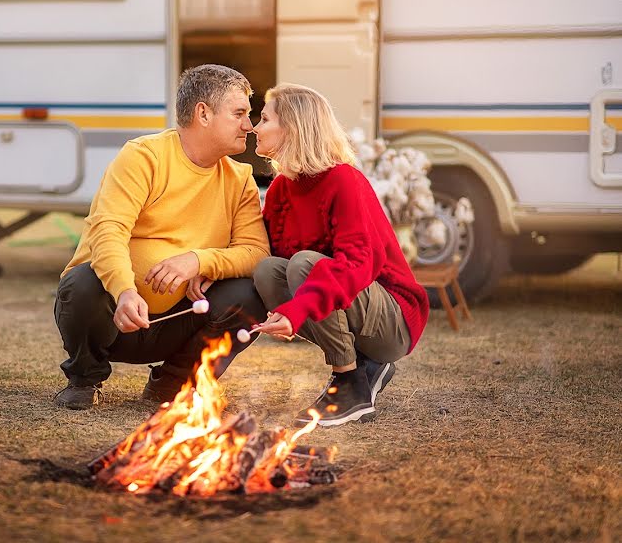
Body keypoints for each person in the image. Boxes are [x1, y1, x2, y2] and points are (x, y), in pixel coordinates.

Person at [53, 64, 270, 410]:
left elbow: (256, 252)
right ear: (203, 113)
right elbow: (107, 230)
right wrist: (124, 290)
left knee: (252, 292)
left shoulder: (240, 178)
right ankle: (85, 377)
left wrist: (199, 261)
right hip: (117, 314)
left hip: (180, 319)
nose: (249, 125)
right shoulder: (143, 156)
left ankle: (173, 382)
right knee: (81, 284)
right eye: (240, 113)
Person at [251, 83, 429, 427]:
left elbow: (356, 266)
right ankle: (364, 366)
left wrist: (298, 309)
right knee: (268, 270)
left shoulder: (344, 180)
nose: (254, 128)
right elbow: (270, 255)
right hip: (354, 307)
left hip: (394, 319)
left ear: (294, 128)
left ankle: (349, 383)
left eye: (264, 119)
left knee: (305, 263)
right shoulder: (280, 189)